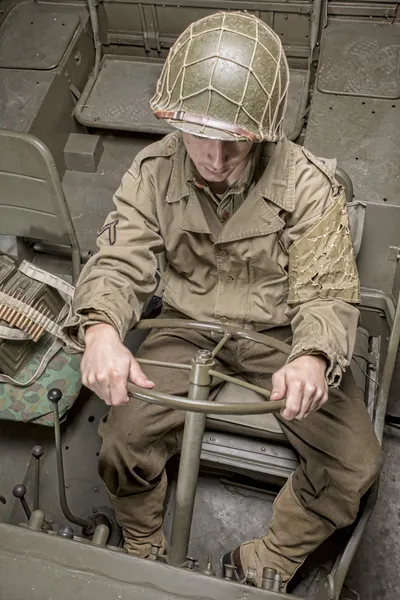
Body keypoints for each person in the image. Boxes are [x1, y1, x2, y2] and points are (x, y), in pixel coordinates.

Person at [66, 11, 382, 591]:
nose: (213, 160)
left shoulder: (309, 184)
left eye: (233, 144)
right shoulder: (153, 170)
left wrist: (314, 356)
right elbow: (119, 258)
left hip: (280, 337)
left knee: (354, 462)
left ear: (262, 131)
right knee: (120, 440)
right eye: (198, 137)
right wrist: (102, 330)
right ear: (175, 120)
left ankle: (273, 556)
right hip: (186, 326)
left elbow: (327, 292)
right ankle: (141, 535)